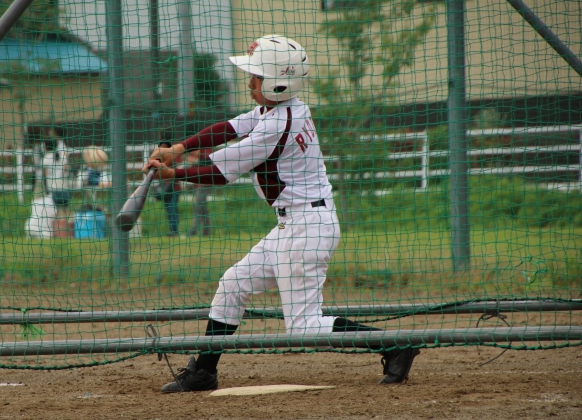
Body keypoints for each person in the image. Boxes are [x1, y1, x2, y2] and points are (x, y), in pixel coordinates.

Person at [144, 35, 420, 392]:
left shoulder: (277, 124)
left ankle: (395, 345)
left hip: (306, 228)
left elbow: (220, 173)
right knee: (233, 284)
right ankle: (204, 372)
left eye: (256, 78)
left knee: (304, 327)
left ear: (277, 83)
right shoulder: (285, 108)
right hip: (296, 224)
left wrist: (173, 174)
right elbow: (231, 127)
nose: (249, 84)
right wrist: (180, 148)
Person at [153, 141, 181, 237]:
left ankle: (174, 231)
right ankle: (172, 230)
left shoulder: (173, 156)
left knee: (172, 209)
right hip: (165, 189)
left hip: (174, 189)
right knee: (169, 210)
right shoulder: (160, 158)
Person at [187, 149, 212, 237]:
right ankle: (206, 231)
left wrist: (195, 160)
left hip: (205, 182)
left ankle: (194, 230)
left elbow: (209, 161)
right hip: (198, 183)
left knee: (198, 205)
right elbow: (189, 159)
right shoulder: (195, 149)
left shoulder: (206, 149)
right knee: (202, 207)